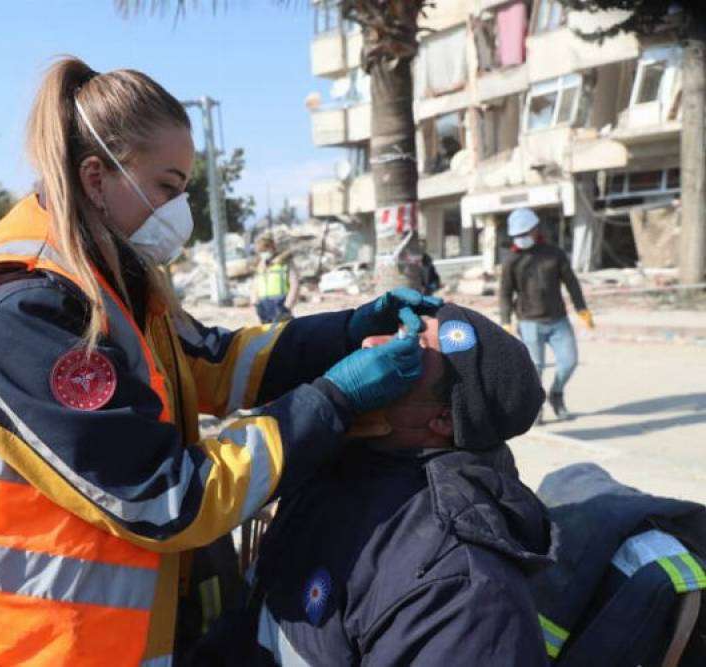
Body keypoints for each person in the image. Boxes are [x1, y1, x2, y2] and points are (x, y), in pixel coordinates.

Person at [0, 56, 442, 667]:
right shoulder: (22, 310)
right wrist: (333, 402)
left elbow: (211, 362)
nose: (181, 211)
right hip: (0, 644)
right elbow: (168, 497)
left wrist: (345, 330)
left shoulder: (108, 277)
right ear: (96, 177)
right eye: (167, 188)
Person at [190, 303, 553, 666]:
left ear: (442, 419)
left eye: (409, 349)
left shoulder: (460, 587)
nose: (369, 343)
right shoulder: (335, 465)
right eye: (397, 332)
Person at [500, 207, 593, 421]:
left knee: (569, 361)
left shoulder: (554, 254)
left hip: (558, 319)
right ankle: (536, 407)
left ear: (535, 230)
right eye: (517, 235)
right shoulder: (511, 261)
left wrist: (582, 308)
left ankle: (556, 393)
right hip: (529, 322)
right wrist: (505, 321)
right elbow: (505, 292)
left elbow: (571, 282)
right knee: (536, 368)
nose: (521, 239)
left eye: (525, 234)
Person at [251, 235, 299, 323]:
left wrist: (287, 307)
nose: (263, 253)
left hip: (281, 304)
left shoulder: (285, 263)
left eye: (265, 250)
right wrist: (255, 304)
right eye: (261, 251)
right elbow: (255, 286)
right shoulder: (260, 266)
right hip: (263, 306)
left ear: (273, 247)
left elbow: (294, 285)